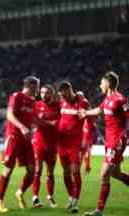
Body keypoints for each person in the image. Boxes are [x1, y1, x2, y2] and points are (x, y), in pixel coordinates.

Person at [80, 72, 129, 216]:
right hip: (109, 141)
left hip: (117, 141)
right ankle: (99, 210)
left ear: (108, 83)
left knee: (104, 173)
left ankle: (99, 210)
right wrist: (85, 113)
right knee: (115, 172)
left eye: (101, 83)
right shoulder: (107, 99)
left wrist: (122, 137)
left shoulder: (120, 99)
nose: (100, 86)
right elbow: (99, 110)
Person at [0, 76, 39, 212]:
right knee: (8, 169)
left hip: (26, 140)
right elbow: (9, 115)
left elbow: (33, 120)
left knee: (32, 171)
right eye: (37, 86)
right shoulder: (17, 96)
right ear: (31, 85)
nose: (38, 89)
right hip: (14, 137)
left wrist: (34, 128)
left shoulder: (32, 101)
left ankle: (20, 192)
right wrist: (22, 127)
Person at [57, 81, 89, 213]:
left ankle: (75, 201)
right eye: (61, 96)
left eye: (64, 95)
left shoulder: (82, 102)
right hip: (62, 143)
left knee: (75, 172)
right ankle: (71, 196)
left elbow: (88, 120)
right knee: (65, 173)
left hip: (75, 144)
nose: (63, 98)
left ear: (70, 89)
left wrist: (86, 140)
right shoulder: (62, 102)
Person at [31, 84, 59, 208]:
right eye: (42, 92)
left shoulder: (58, 106)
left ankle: (50, 197)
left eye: (47, 92)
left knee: (50, 172)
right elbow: (34, 121)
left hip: (52, 144)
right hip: (39, 142)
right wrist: (50, 123)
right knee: (37, 170)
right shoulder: (36, 105)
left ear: (52, 94)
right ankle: (35, 197)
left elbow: (60, 122)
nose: (44, 95)